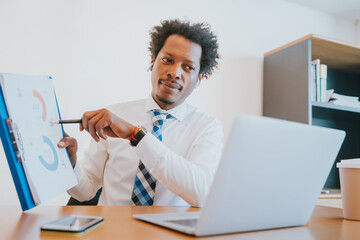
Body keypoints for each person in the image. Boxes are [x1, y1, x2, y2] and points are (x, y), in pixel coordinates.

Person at [58, 19, 222, 207]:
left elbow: (201, 194)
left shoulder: (207, 127)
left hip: (168, 234)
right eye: (167, 60)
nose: (175, 72)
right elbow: (85, 192)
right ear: (152, 61)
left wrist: (135, 135)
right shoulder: (112, 116)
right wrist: (69, 164)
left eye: (189, 67)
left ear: (199, 77)